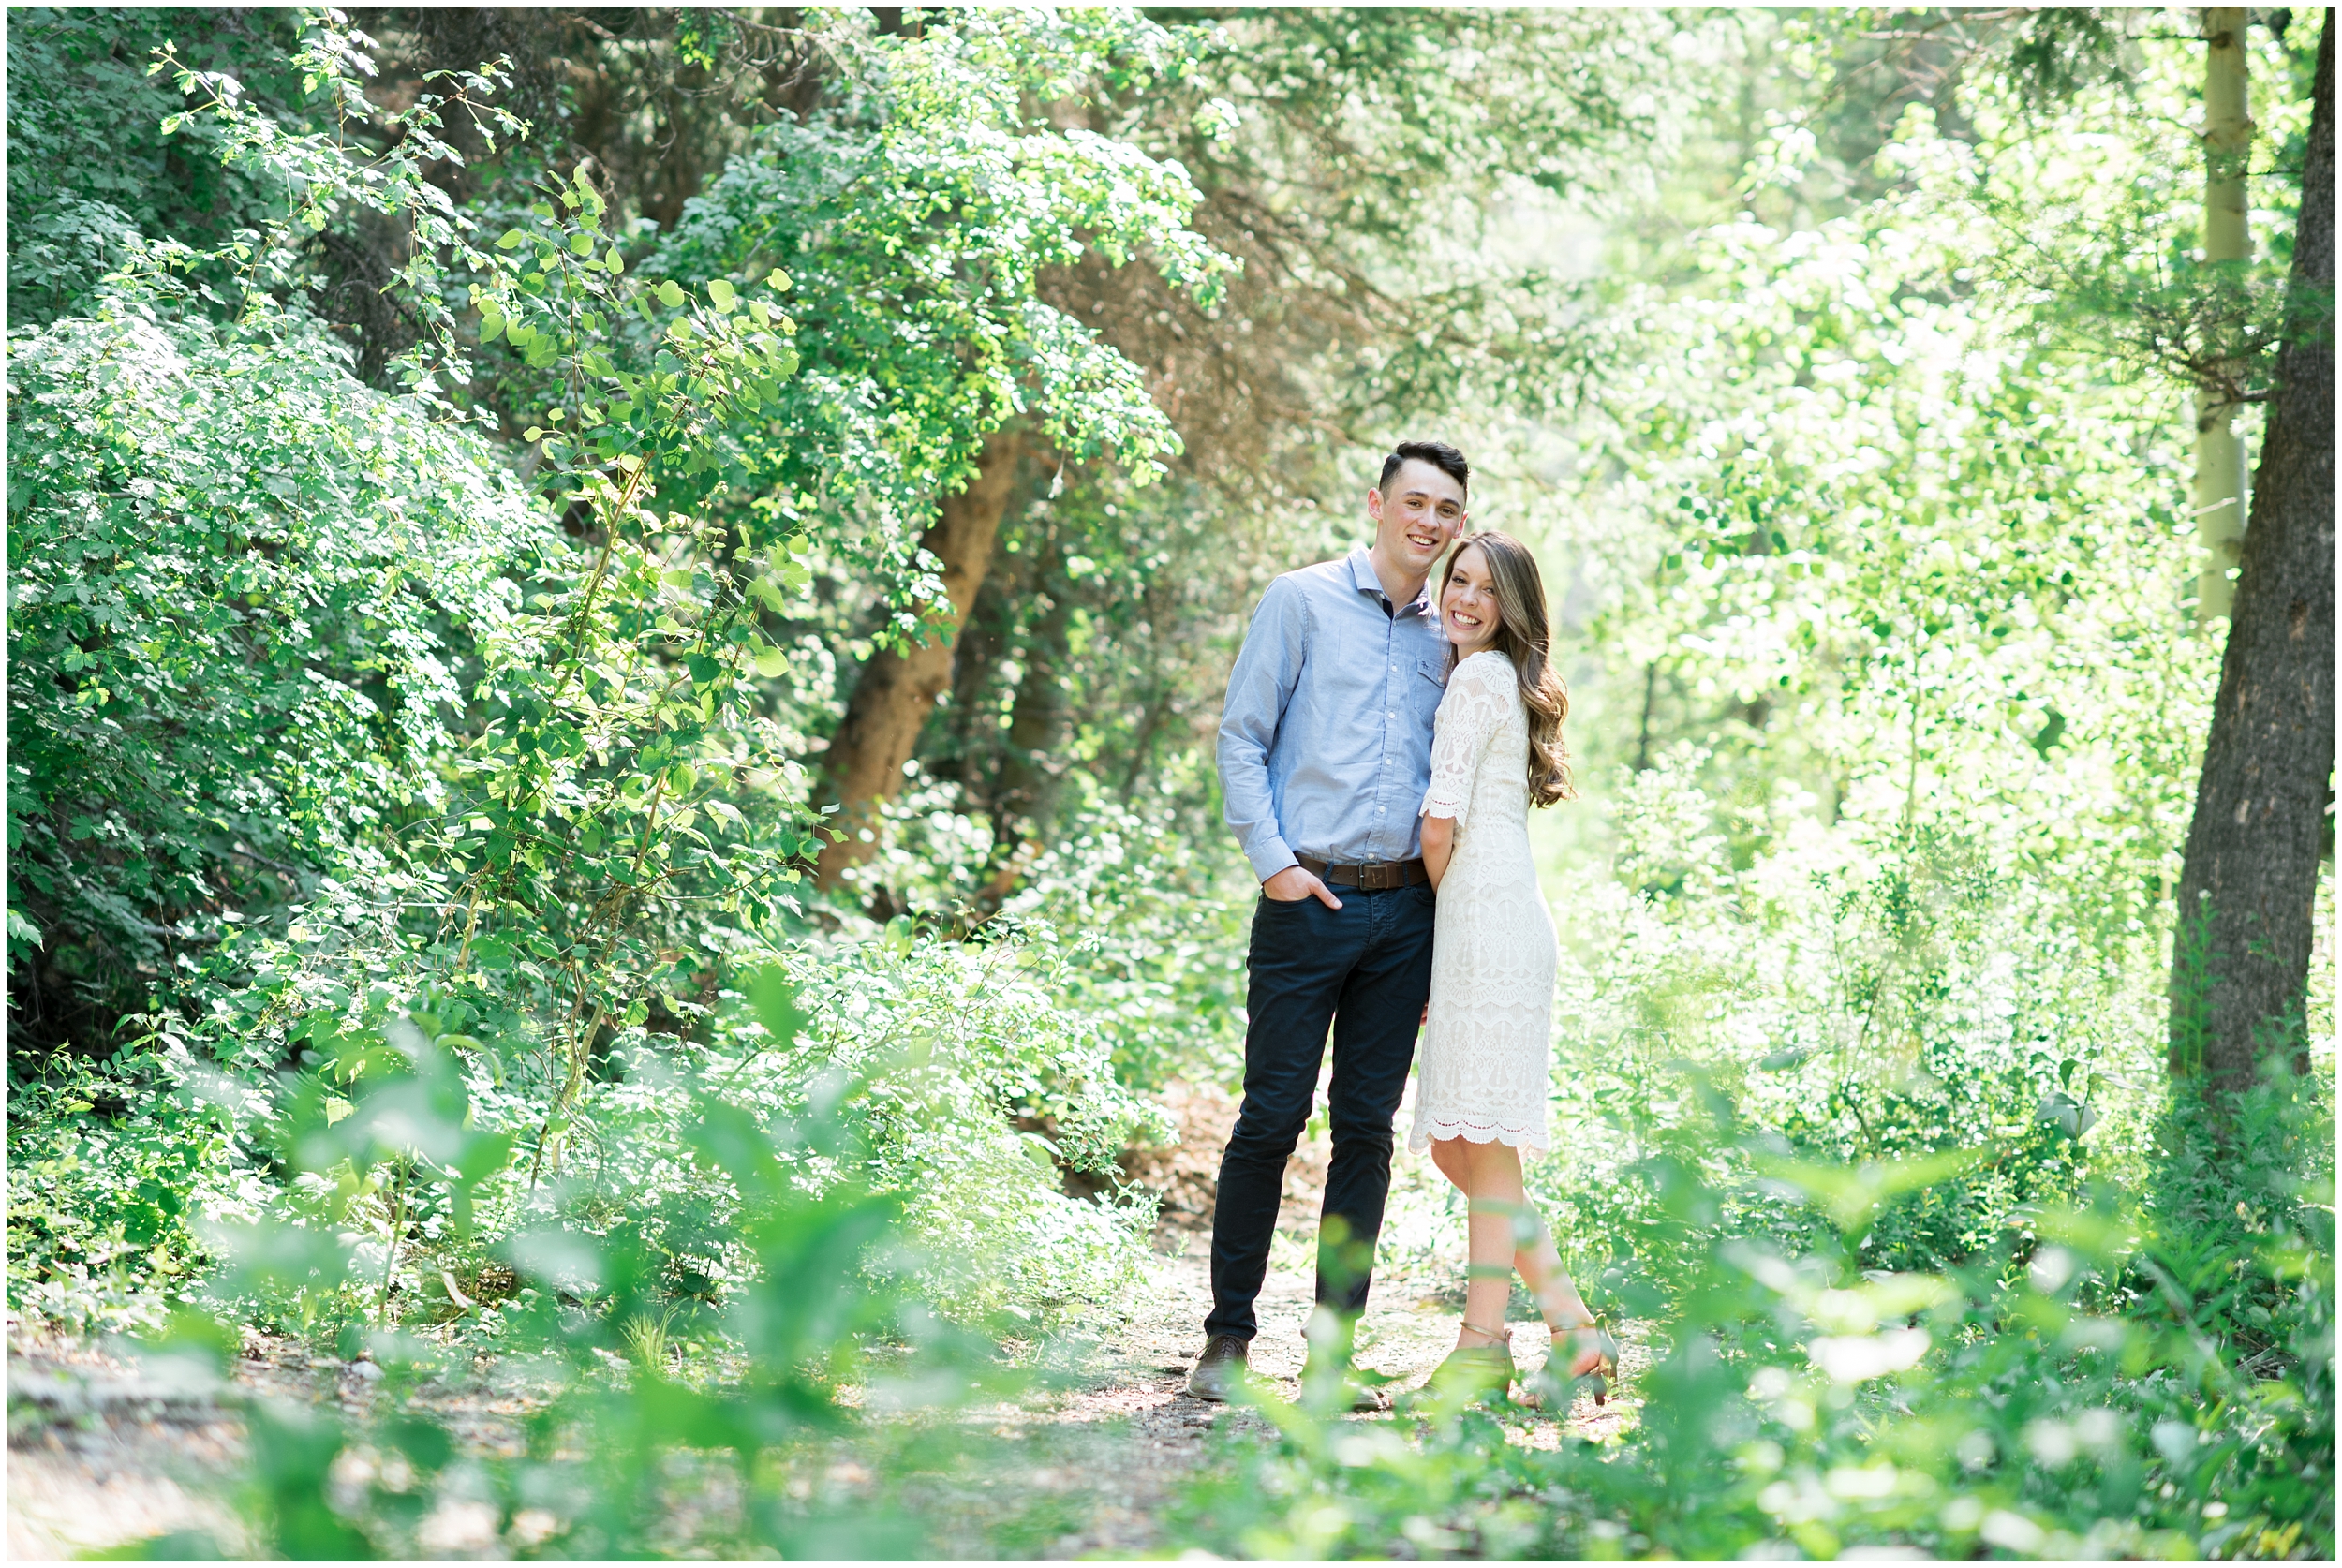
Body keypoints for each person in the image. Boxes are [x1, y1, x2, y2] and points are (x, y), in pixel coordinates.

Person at [1188, 440, 1471, 1407]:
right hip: (1306, 899)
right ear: (1378, 505)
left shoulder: (1454, 635)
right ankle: (1226, 1344)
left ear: (1458, 526)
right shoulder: (1298, 601)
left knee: (1366, 1132)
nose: (1427, 523)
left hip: (1406, 915)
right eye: (1414, 503)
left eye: (1446, 511)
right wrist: (1273, 866)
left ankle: (1330, 1362)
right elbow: (1241, 738)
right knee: (1269, 1118)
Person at [1413, 529, 1617, 1406]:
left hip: (1484, 926)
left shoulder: (1474, 677)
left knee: (1481, 1146)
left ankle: (1481, 1347)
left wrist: (1437, 923)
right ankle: (1571, 1329)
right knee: (1464, 1148)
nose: (1464, 598)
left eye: (1485, 590)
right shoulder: (1500, 679)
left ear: (1511, 609)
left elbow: (1438, 822)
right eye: (1455, 579)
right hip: (1499, 919)